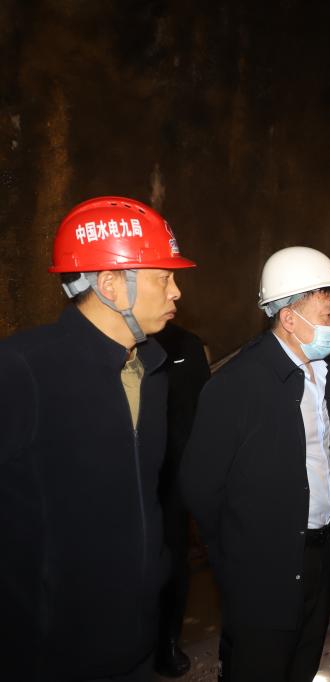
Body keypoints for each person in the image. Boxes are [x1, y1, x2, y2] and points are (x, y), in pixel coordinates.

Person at [0, 196, 195, 681]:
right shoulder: (23, 368)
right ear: (110, 285)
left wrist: (157, 567)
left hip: (136, 636)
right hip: (50, 652)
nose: (176, 292)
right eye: (162, 278)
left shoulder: (151, 369)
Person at [180, 246, 330, 681]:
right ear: (289, 319)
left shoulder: (324, 374)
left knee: (303, 664)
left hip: (320, 558)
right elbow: (200, 486)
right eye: (327, 315)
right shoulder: (236, 386)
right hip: (263, 574)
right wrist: (237, 559)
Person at [152, 322, 211, 677]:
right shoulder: (114, 347)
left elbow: (204, 410)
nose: (174, 295)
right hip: (129, 478)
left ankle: (167, 641)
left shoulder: (186, 345)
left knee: (174, 561)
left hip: (173, 478)